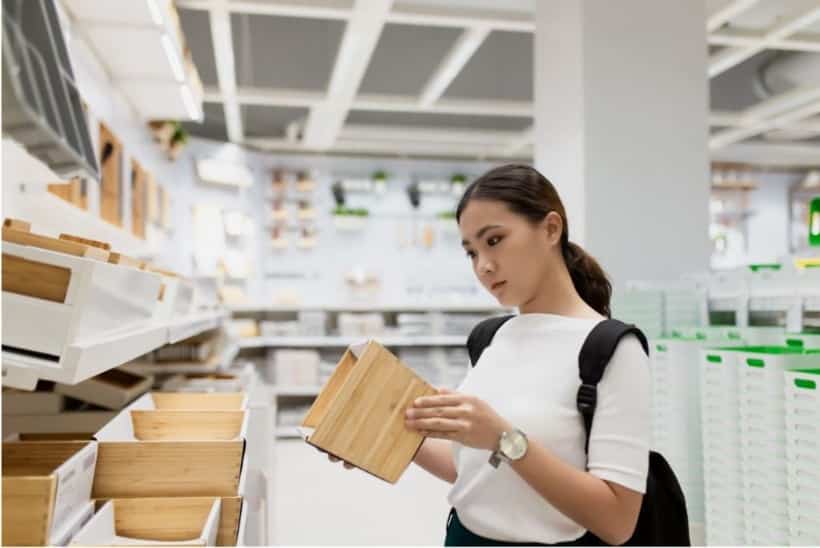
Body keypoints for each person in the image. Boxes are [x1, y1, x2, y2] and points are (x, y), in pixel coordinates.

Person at [330, 164, 650, 546]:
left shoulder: (613, 349)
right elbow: (472, 468)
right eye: (471, 252)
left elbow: (617, 521)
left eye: (494, 241)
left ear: (551, 228)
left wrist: (504, 439)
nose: (483, 266)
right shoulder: (490, 337)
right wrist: (385, 432)